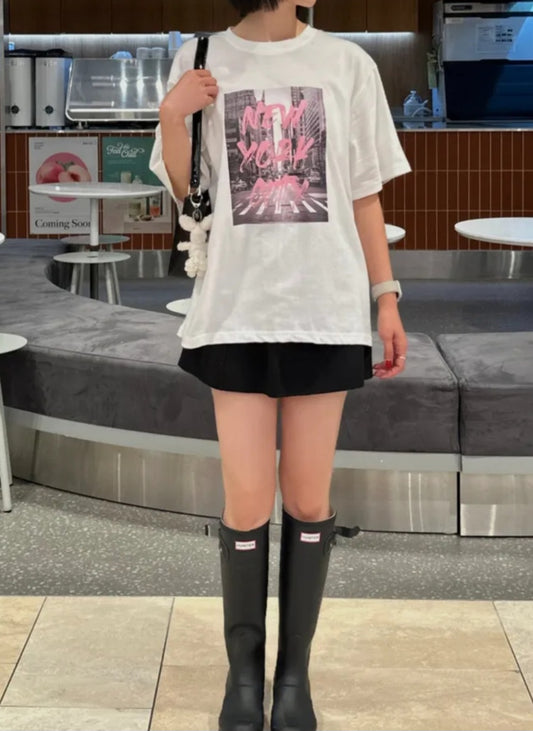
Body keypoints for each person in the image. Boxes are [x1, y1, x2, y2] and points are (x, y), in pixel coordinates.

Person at [150, 1, 411, 729]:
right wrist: (172, 114)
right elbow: (188, 195)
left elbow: (364, 193)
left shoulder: (347, 64)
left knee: (306, 499)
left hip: (323, 309)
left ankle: (293, 677)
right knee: (244, 502)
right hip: (235, 309)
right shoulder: (201, 58)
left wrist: (386, 297)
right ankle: (243, 678)